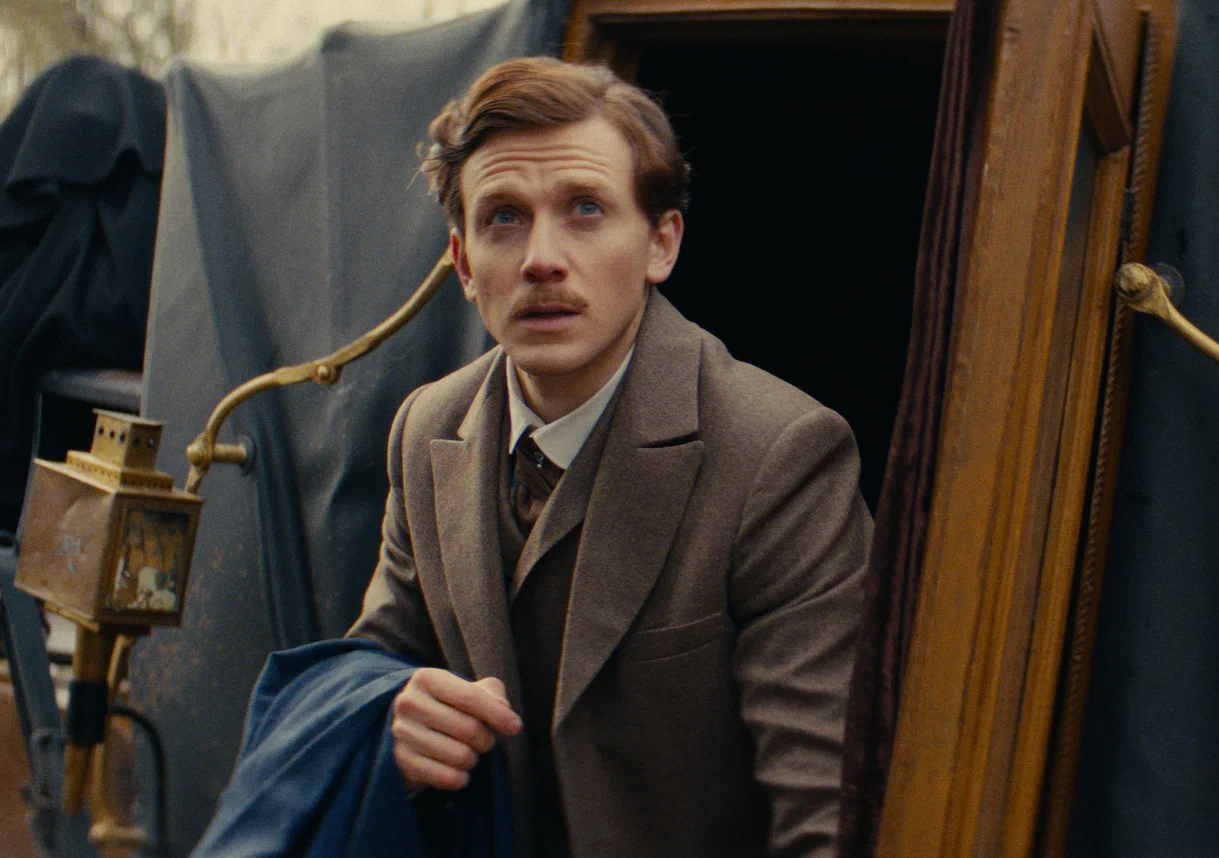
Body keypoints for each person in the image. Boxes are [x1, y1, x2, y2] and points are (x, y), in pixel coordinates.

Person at [346, 57, 871, 858]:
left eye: (585, 209)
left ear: (661, 244)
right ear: (464, 265)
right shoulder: (427, 429)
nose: (541, 258)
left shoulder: (779, 455)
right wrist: (387, 721)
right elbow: (375, 668)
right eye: (504, 217)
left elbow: (825, 814)